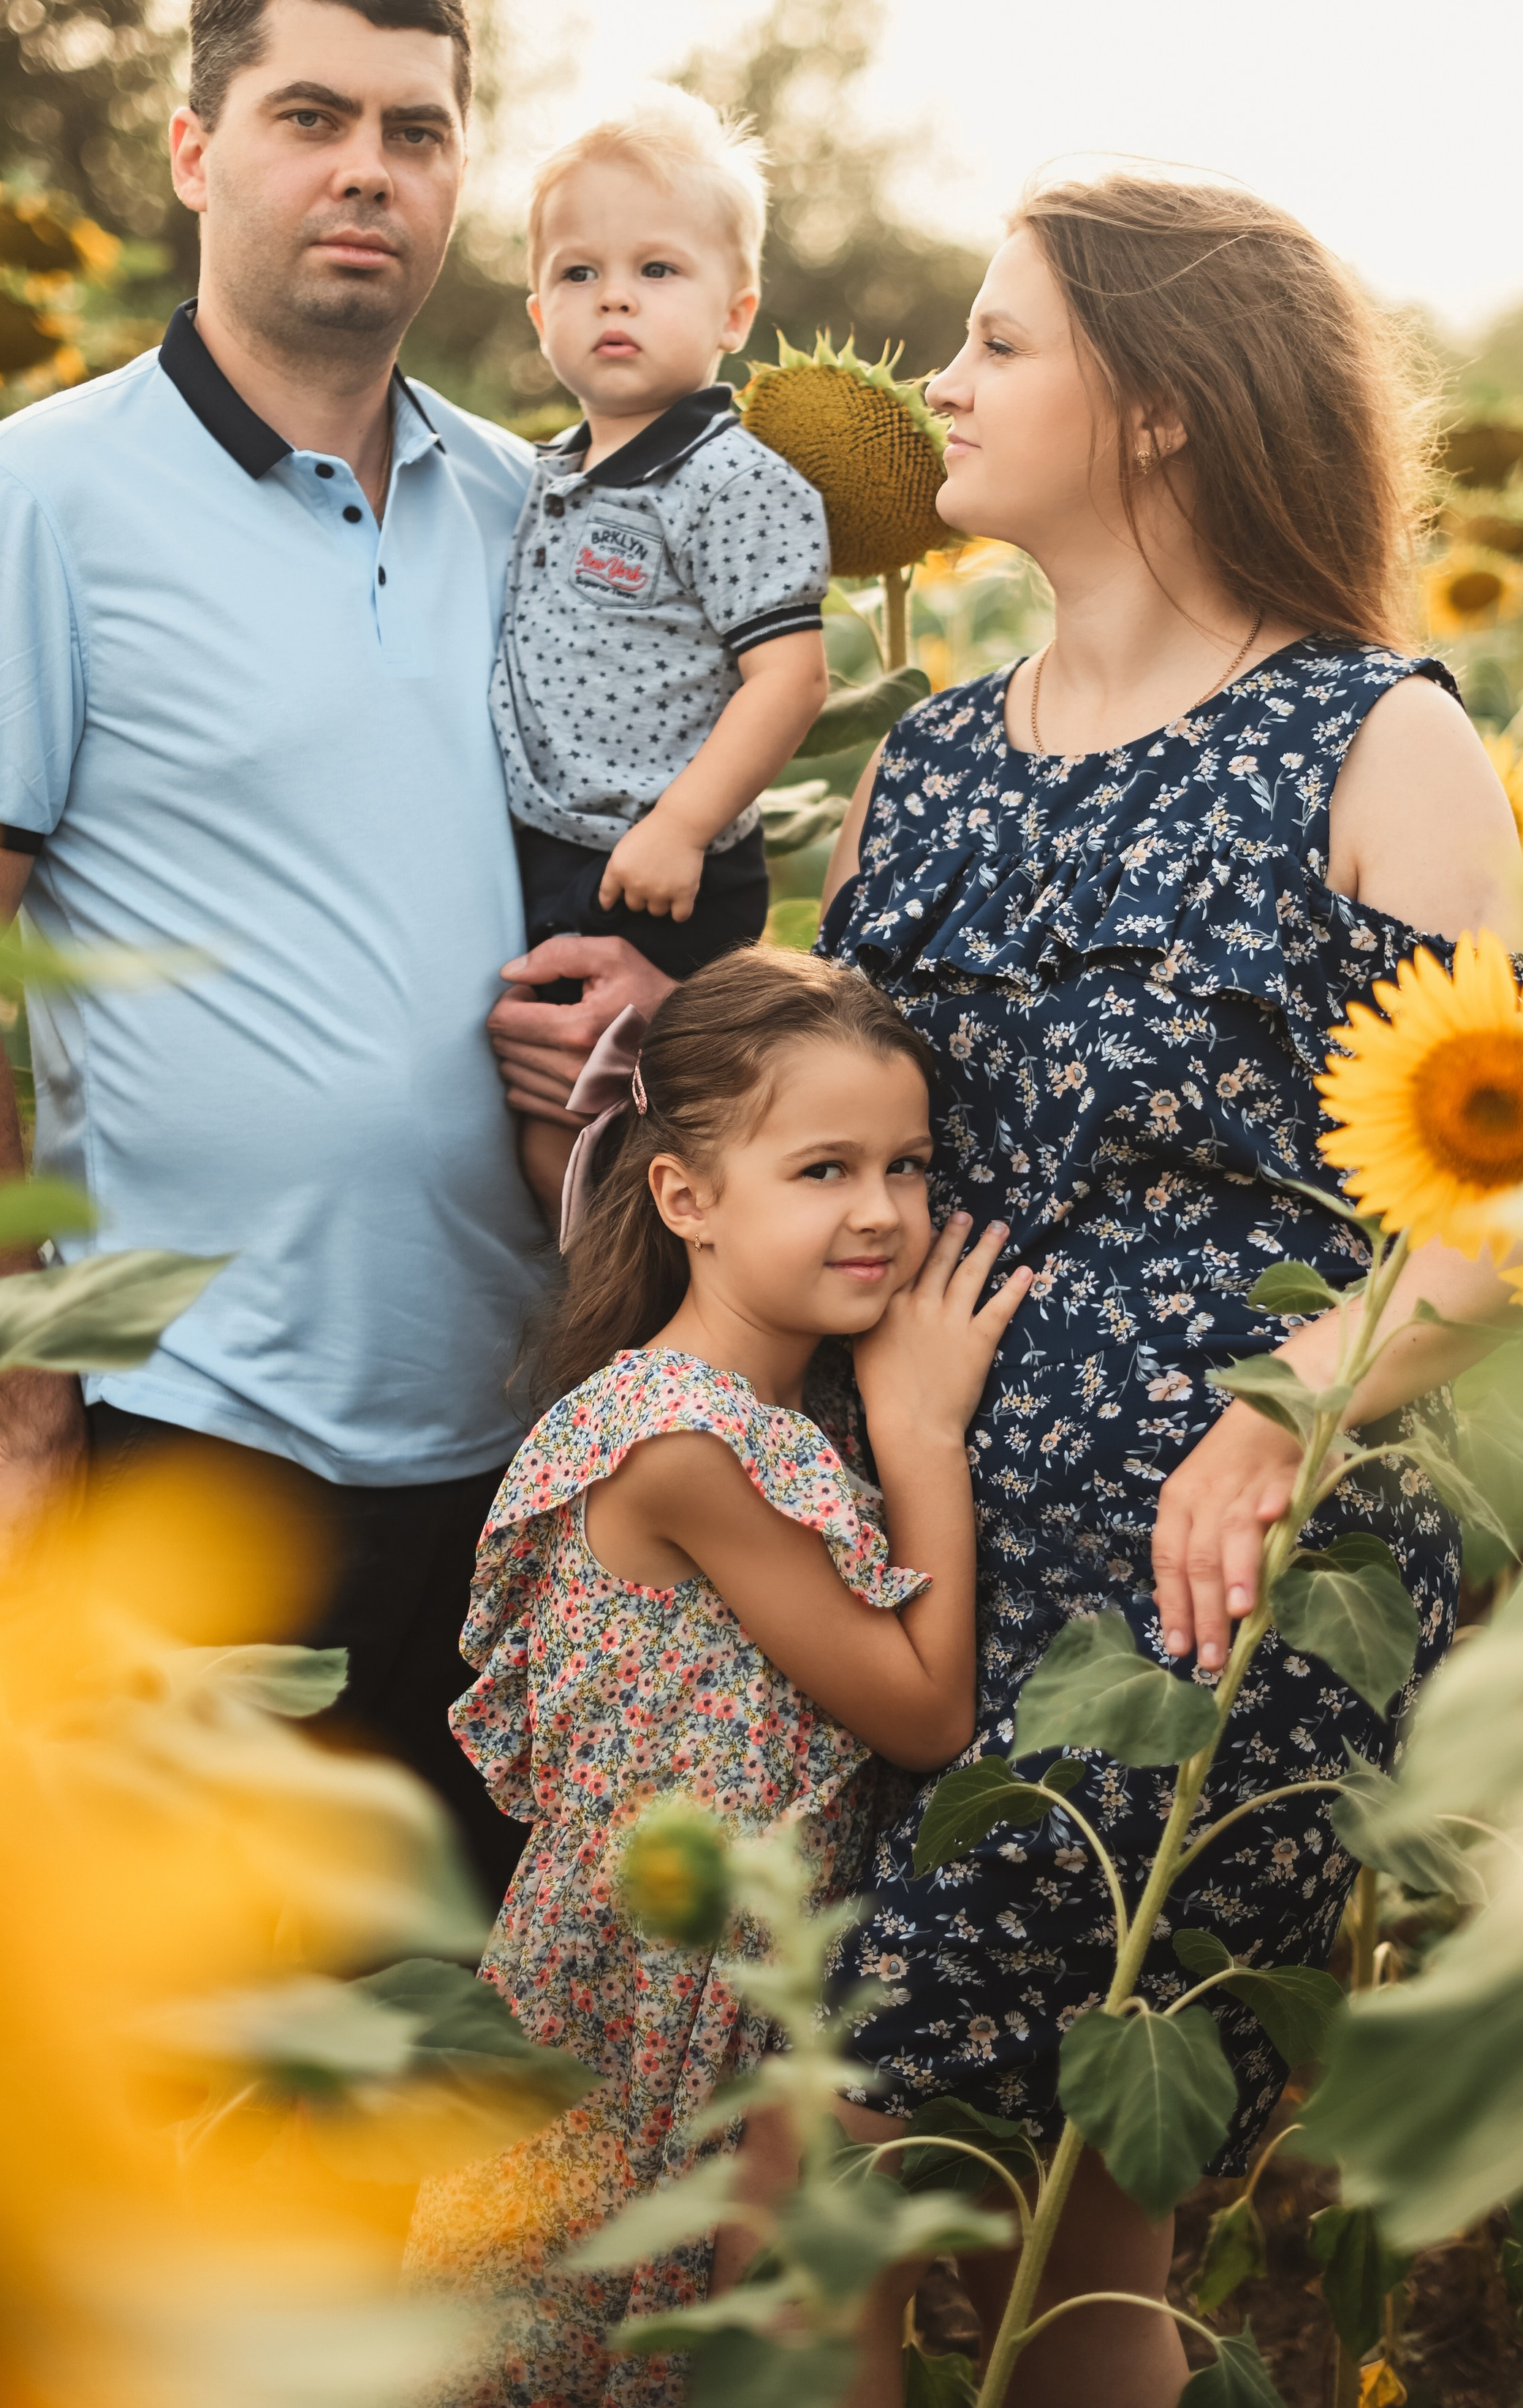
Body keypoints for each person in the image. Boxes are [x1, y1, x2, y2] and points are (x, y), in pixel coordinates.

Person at [805, 175, 1523, 2404]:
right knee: (945, 2166)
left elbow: (1491, 1215)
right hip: (898, 1530)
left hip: (1210, 1572)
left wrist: (1277, 1415)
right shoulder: (919, 756)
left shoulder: (1374, 740)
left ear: (1166, 413)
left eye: (1002, 341)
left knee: (935, 2137)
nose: (942, 380)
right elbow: (816, 1133)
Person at [0, 0, 554, 1894]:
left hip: (520, 1443)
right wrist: (29, 1393)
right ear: (192, 151)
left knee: (466, 2093)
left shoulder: (533, 513)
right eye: (310, 116)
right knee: (222, 2068)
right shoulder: (44, 500)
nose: (367, 171)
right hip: (197, 1437)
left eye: (417, 132)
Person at [404, 944, 1030, 2405]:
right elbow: (925, 1707)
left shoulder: (770, 1403)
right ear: (684, 1197)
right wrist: (924, 1429)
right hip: (652, 1987)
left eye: (907, 1163)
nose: (879, 1211)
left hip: (730, 1966)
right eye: (820, 1169)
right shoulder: (688, 1440)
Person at [490, 85, 831, 1200]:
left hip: (660, 869)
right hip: (555, 848)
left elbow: (789, 677)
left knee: (653, 1132)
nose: (613, 300)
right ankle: (584, 1324)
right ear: (539, 314)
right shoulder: (541, 477)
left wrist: (681, 827)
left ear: (734, 313)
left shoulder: (729, 481)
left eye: (657, 271)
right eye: (578, 274)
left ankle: (640, 1336)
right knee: (548, 1124)